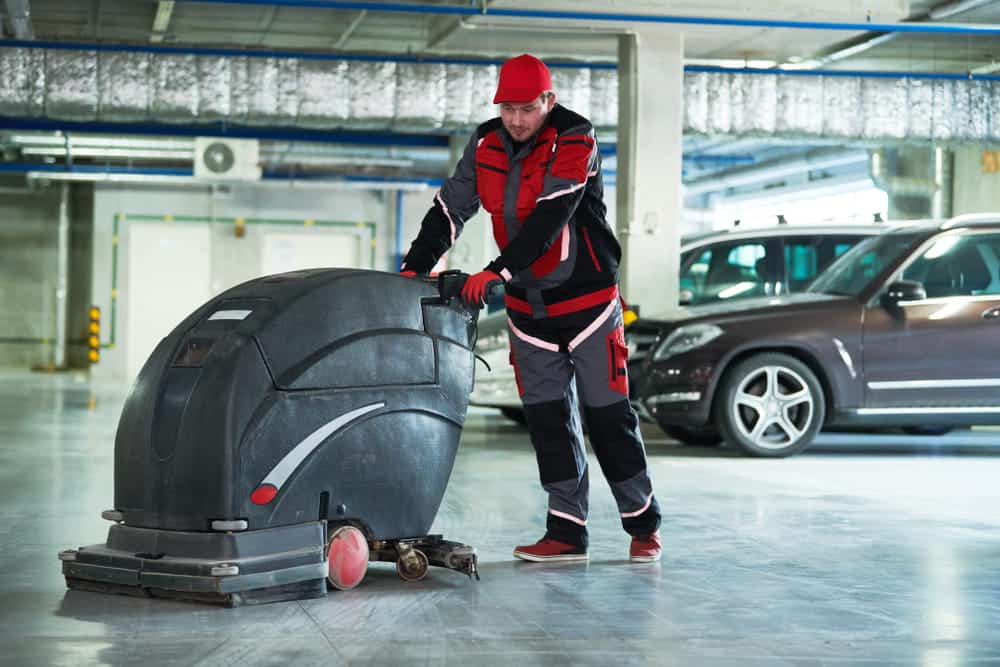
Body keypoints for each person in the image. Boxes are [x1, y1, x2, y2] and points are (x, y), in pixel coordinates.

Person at [400, 54, 661, 563]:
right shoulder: (485, 143)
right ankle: (566, 532)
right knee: (547, 421)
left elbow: (551, 216)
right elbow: (451, 207)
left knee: (608, 418)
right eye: (507, 109)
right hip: (530, 311)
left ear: (549, 101)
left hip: (588, 305)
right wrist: (413, 268)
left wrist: (496, 271)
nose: (516, 119)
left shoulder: (577, 139)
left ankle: (643, 523)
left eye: (526, 108)